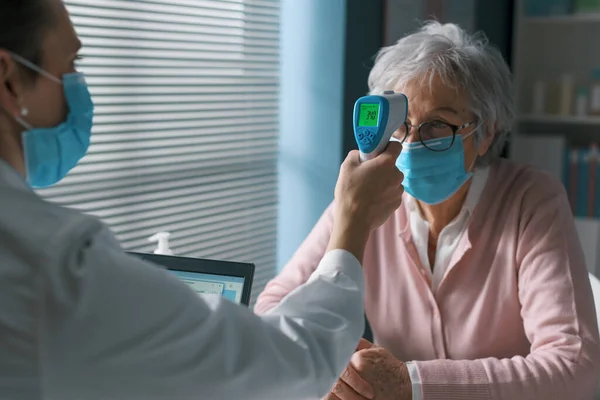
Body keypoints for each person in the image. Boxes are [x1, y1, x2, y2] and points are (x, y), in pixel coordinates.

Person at [0, 1, 406, 399]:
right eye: (70, 65)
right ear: (9, 79)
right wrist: (353, 220)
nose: (79, 88)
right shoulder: (53, 265)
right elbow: (289, 366)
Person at [255, 21, 600, 400]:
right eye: (400, 127)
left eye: (437, 126)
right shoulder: (365, 198)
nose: (413, 145)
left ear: (485, 133)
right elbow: (275, 309)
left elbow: (575, 366)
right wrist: (341, 363)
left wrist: (411, 384)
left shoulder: (530, 199)